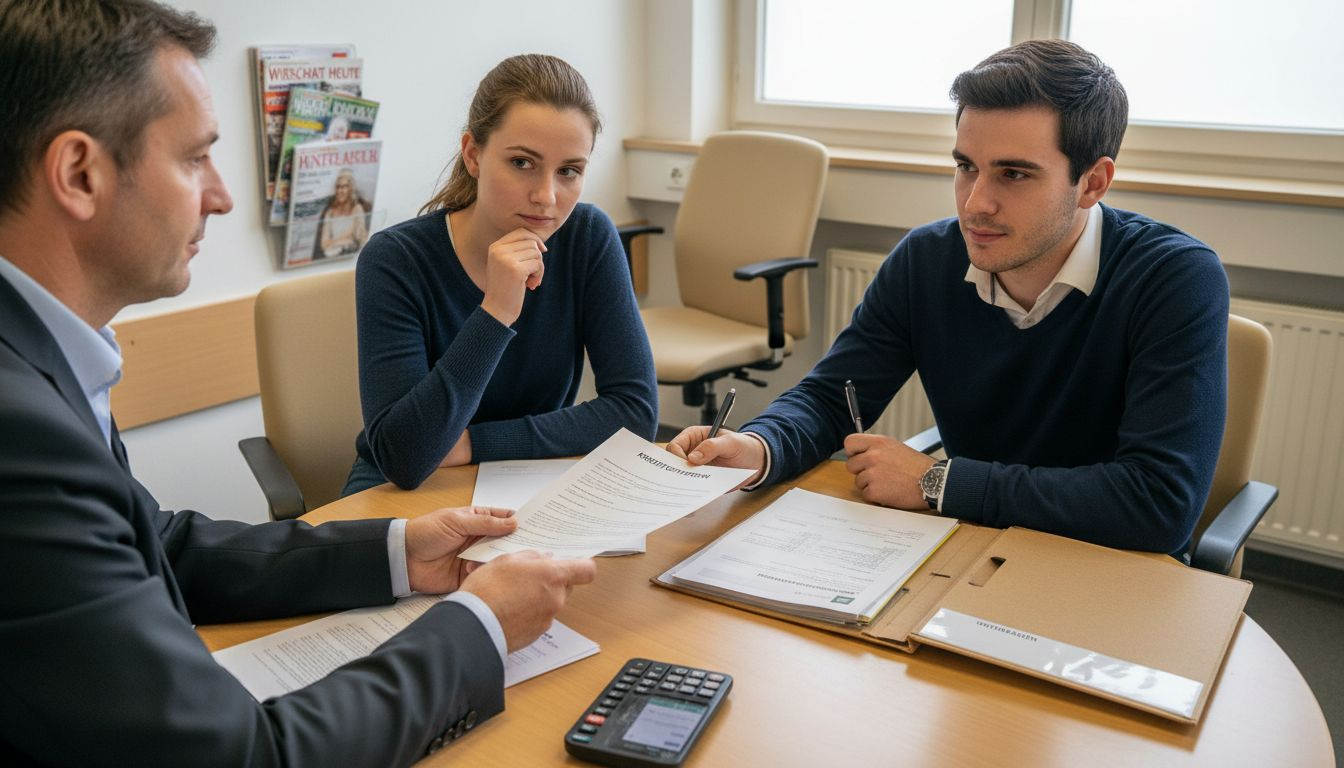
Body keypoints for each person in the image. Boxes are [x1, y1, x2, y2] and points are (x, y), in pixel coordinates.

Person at [0, 2, 594, 765]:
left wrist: (394, 552)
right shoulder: (20, 436)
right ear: (80, 173)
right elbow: (246, 756)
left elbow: (153, 542)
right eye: (194, 159)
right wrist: (479, 625)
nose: (220, 196)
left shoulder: (44, 360)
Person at [669, 39, 1229, 556]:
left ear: (1093, 183)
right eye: (966, 167)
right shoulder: (926, 260)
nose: (975, 203)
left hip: (1107, 569)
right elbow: (828, 398)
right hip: (963, 544)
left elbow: (1158, 504)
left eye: (1013, 174)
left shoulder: (1174, 279)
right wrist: (759, 447)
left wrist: (941, 481)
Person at [342, 53, 657, 494]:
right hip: (404, 489)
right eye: (522, 163)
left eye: (569, 171)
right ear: (473, 154)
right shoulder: (396, 260)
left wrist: (474, 443)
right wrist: (494, 314)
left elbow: (635, 413)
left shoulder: (587, 237)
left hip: (528, 479)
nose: (546, 196)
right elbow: (405, 457)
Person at [315, 167, 371, 260]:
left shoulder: (357, 209)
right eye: (338, 187)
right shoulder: (330, 212)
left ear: (351, 189)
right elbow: (324, 244)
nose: (340, 191)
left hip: (351, 257)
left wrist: (333, 242)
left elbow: (360, 239)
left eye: (344, 187)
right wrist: (346, 239)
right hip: (331, 257)